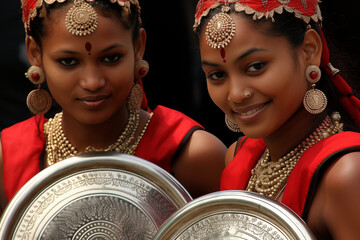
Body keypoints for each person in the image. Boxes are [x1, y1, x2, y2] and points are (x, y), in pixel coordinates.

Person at [0, 0, 227, 216]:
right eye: (68, 61)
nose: (92, 82)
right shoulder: (10, 157)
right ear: (35, 53)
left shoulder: (192, 155)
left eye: (111, 58)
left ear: (138, 47)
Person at [193, 0, 360, 239]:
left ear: (309, 51)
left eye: (255, 67)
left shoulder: (346, 174)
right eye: (217, 75)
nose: (236, 94)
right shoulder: (237, 158)